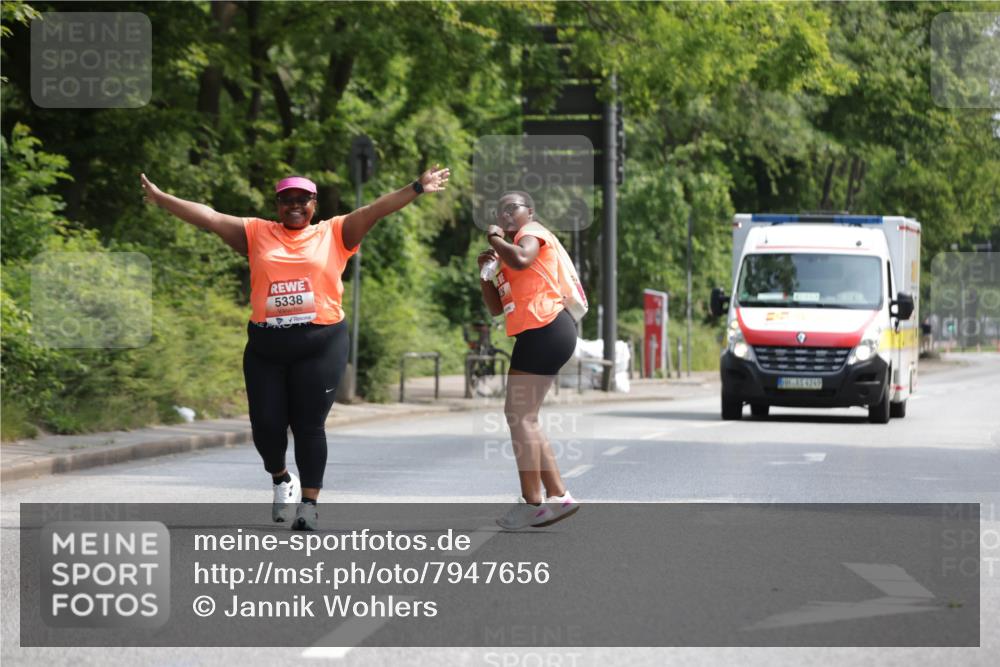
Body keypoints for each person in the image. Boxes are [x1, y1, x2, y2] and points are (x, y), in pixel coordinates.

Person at [141, 167, 450, 530]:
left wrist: (416, 187)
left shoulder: (334, 232)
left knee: (309, 425)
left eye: (302, 200)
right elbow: (209, 217)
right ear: (277, 205)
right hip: (267, 345)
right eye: (287, 200)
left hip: (321, 343)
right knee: (266, 427)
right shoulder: (256, 232)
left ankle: (309, 504)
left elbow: (373, 211)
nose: (294, 206)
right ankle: (281, 477)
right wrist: (161, 198)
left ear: (313, 204)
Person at [477, 191, 581, 529]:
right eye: (500, 210)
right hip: (541, 332)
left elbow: (523, 259)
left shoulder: (531, 233)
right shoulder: (507, 253)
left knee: (518, 415)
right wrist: (486, 275)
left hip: (546, 327)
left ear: (529, 212)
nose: (506, 214)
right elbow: (496, 308)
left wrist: (494, 236)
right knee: (526, 418)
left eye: (512, 209)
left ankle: (534, 503)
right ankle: (558, 496)